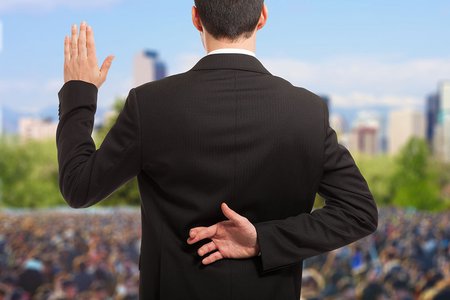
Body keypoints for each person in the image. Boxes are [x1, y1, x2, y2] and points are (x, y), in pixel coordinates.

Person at [56, 0, 378, 299]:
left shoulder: (150, 105)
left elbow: (79, 186)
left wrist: (79, 94)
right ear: (263, 16)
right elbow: (358, 212)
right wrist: (262, 240)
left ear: (196, 18)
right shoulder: (307, 111)